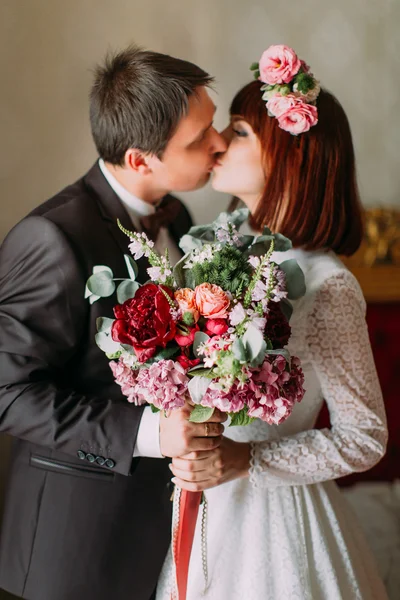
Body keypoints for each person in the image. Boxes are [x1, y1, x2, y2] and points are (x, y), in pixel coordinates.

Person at [158, 45, 389, 599]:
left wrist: (248, 459)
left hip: (277, 517)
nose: (217, 145)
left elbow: (366, 436)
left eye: (237, 131)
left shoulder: (327, 284)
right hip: (207, 503)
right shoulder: (218, 254)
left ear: (287, 157)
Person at [0, 46, 227, 600]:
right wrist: (150, 434)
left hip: (161, 528)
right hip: (76, 542)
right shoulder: (52, 238)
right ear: (140, 159)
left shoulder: (184, 217)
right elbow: (8, 393)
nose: (218, 143)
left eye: (214, 125)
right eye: (200, 138)